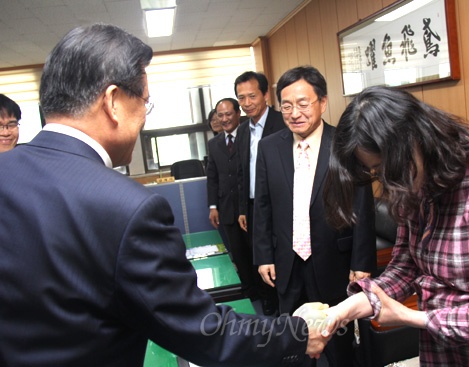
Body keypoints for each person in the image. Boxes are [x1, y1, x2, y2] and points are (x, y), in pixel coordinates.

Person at [0, 24, 330, 367]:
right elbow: (202, 332)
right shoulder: (126, 207)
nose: (144, 115)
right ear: (113, 101)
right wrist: (298, 334)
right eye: (145, 102)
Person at [321, 86, 469, 366]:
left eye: (388, 168)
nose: (389, 182)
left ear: (417, 137)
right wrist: (356, 304)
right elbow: (406, 268)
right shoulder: (414, 187)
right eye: (379, 173)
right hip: (443, 351)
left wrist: (410, 316)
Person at [253, 66, 377, 367]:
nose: (294, 112)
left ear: (322, 102)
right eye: (286, 105)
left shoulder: (345, 144)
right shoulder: (269, 147)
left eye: (303, 103)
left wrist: (361, 262)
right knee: (293, 343)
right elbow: (263, 206)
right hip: (287, 261)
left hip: (334, 260)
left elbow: (362, 203)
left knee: (339, 344)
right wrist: (264, 255)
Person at [234, 71, 286, 315]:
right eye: (241, 98)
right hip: (254, 207)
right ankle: (269, 304)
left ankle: (287, 301)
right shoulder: (243, 131)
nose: (246, 103)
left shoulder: (283, 122)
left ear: (266, 94)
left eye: (252, 96)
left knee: (282, 254)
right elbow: (242, 174)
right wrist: (243, 209)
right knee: (261, 256)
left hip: (281, 205)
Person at [206, 98, 256, 301]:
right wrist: (213, 206)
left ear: (238, 114)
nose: (224, 119)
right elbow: (212, 177)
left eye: (228, 114)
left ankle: (265, 294)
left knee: (255, 252)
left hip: (250, 208)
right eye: (220, 115)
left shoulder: (249, 136)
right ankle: (249, 291)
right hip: (226, 208)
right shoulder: (214, 143)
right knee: (238, 254)